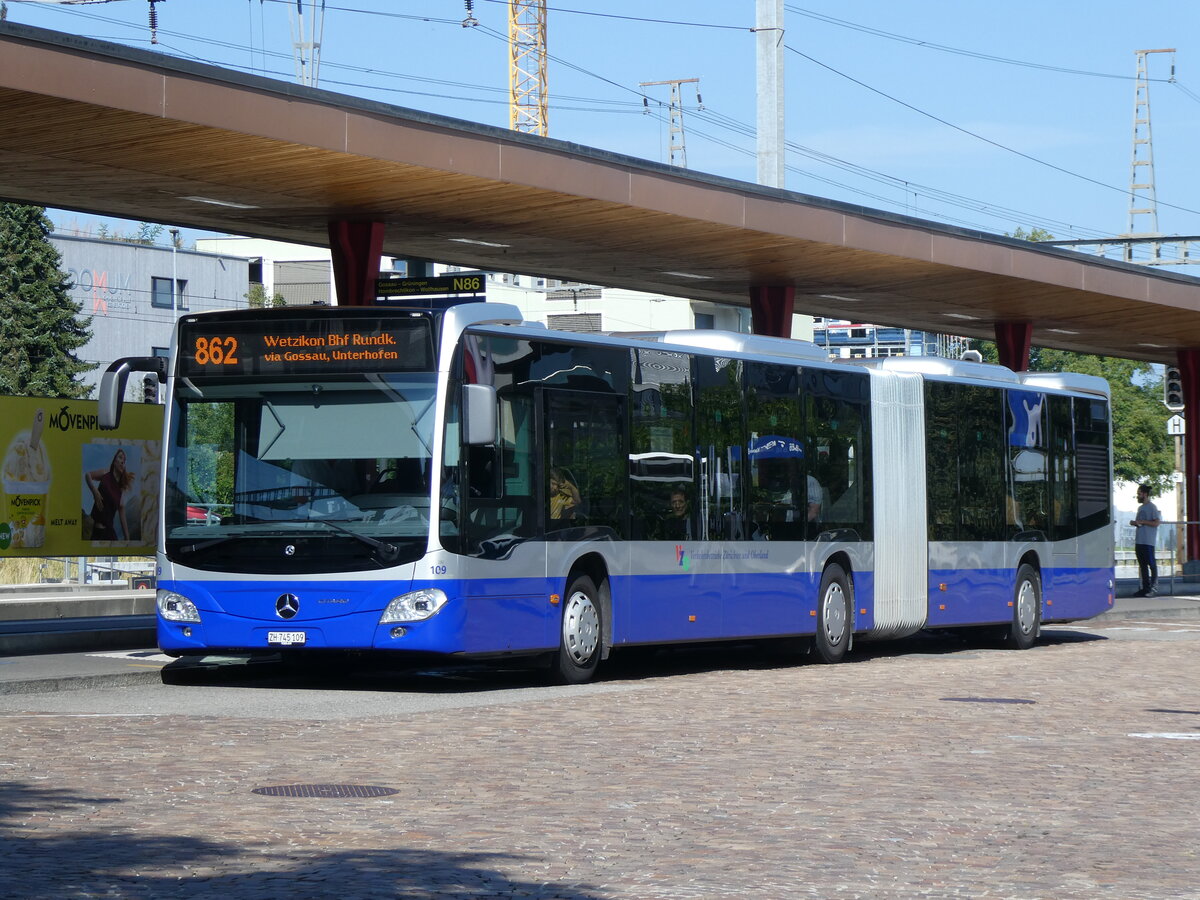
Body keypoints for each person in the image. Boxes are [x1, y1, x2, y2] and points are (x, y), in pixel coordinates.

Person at [86, 448, 134, 541]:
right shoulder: (105, 474)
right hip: (96, 531)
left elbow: (122, 516)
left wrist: (128, 540)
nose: (122, 462)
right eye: (120, 458)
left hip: (109, 535)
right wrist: (94, 490)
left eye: (124, 461)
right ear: (114, 460)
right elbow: (88, 475)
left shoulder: (120, 490)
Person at [1130, 483, 1161, 597]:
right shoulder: (1140, 508)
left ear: (1145, 494)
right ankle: (1145, 588)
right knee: (1142, 566)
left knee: (1151, 564)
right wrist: (1135, 523)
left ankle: (1154, 588)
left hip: (1148, 541)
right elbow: (1140, 522)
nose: (1138, 496)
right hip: (1139, 541)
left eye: (1139, 494)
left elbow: (1156, 522)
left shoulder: (1152, 507)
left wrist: (1143, 522)